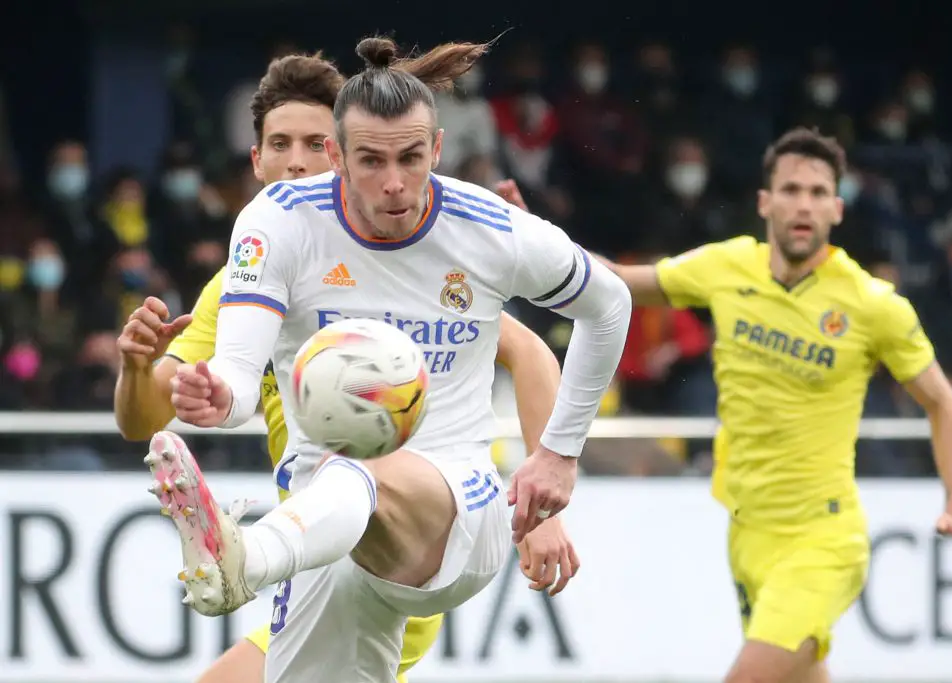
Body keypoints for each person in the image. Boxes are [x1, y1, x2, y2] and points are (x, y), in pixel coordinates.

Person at [150, 37, 630, 683]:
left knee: (359, 472)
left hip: (460, 509)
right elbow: (238, 372)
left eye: (411, 157)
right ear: (336, 156)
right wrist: (218, 396)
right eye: (371, 160)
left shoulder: (488, 228)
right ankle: (256, 554)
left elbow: (609, 305)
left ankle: (245, 558)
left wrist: (560, 455)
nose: (396, 182)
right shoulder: (279, 222)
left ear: (436, 148)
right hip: (325, 534)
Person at [592, 127, 952, 683]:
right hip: (748, 534)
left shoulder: (872, 305)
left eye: (820, 192)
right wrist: (538, 239)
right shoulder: (727, 267)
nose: (805, 203)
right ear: (765, 201)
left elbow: (946, 405)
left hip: (823, 541)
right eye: (792, 189)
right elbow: (621, 282)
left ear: (838, 208)